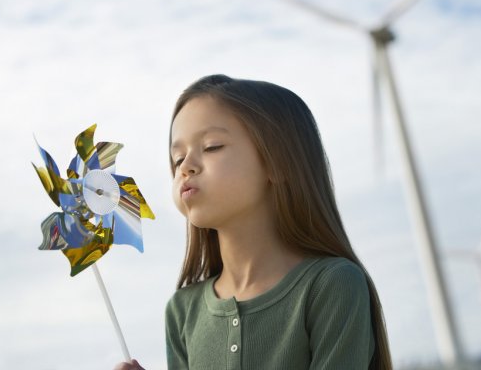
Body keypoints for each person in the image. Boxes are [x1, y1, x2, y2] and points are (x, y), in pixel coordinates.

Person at [115, 75, 392, 370]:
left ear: (277, 162)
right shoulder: (182, 311)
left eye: (212, 146)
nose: (185, 167)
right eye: (177, 157)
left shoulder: (331, 284)